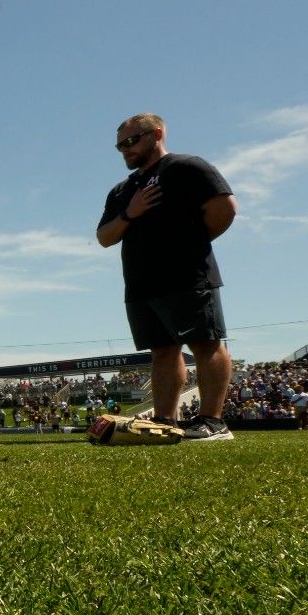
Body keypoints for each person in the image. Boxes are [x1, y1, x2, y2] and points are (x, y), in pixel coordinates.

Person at [97, 114, 238, 441]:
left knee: (205, 343)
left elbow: (225, 209)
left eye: (131, 142)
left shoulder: (187, 167)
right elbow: (105, 236)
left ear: (156, 134)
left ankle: (213, 422)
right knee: (161, 350)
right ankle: (164, 421)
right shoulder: (123, 190)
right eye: (120, 146)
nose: (125, 151)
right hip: (140, 282)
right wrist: (130, 213)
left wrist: (190, 245)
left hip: (186, 276)